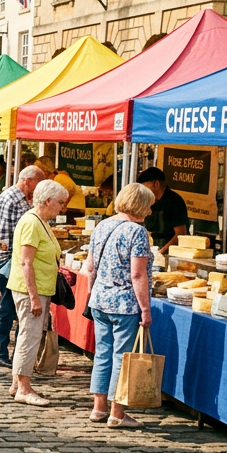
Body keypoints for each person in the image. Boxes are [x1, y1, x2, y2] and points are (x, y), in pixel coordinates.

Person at [83, 183, 154, 430]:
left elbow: (90, 267)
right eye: (149, 206)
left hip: (100, 301)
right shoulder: (137, 232)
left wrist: (94, 293)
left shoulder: (102, 225)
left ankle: (98, 408)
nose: (151, 211)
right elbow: (138, 275)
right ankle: (117, 413)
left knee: (102, 354)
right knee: (122, 358)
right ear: (140, 206)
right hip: (124, 303)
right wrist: (145, 309)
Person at [8, 179, 71, 407]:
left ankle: (18, 383)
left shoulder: (40, 221)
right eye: (60, 203)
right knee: (30, 336)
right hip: (29, 290)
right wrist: (34, 297)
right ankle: (24, 387)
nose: (62, 207)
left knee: (29, 335)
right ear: (47, 201)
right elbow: (26, 262)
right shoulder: (32, 222)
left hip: (39, 288)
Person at [0, 167, 47, 367]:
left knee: (12, 308)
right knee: (8, 307)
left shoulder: (23, 199)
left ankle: (14, 353)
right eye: (37, 183)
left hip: (14, 258)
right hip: (10, 259)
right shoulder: (12, 199)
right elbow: (4, 235)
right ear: (28, 180)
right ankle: (1, 352)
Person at [135, 167, 189, 252]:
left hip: (170, 253)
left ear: (156, 184)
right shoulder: (148, 201)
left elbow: (180, 234)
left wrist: (161, 252)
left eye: (145, 187)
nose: (143, 191)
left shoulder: (175, 201)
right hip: (151, 249)